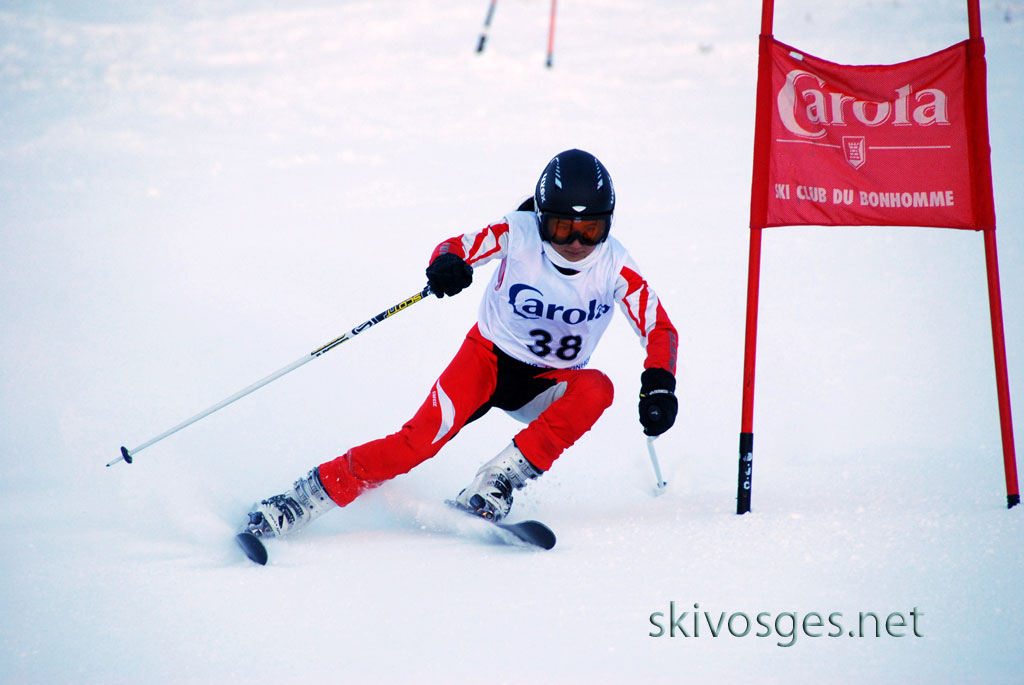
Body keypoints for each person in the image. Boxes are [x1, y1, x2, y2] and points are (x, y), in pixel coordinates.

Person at [244, 149, 678, 539]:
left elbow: (660, 329)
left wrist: (660, 383)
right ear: (542, 218)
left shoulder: (615, 265)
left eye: (591, 230)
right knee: (415, 444)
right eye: (562, 229)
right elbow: (457, 246)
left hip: (549, 382)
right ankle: (304, 497)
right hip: (486, 362)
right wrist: (448, 263)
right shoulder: (519, 233)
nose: (577, 244)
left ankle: (498, 480)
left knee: (598, 388)